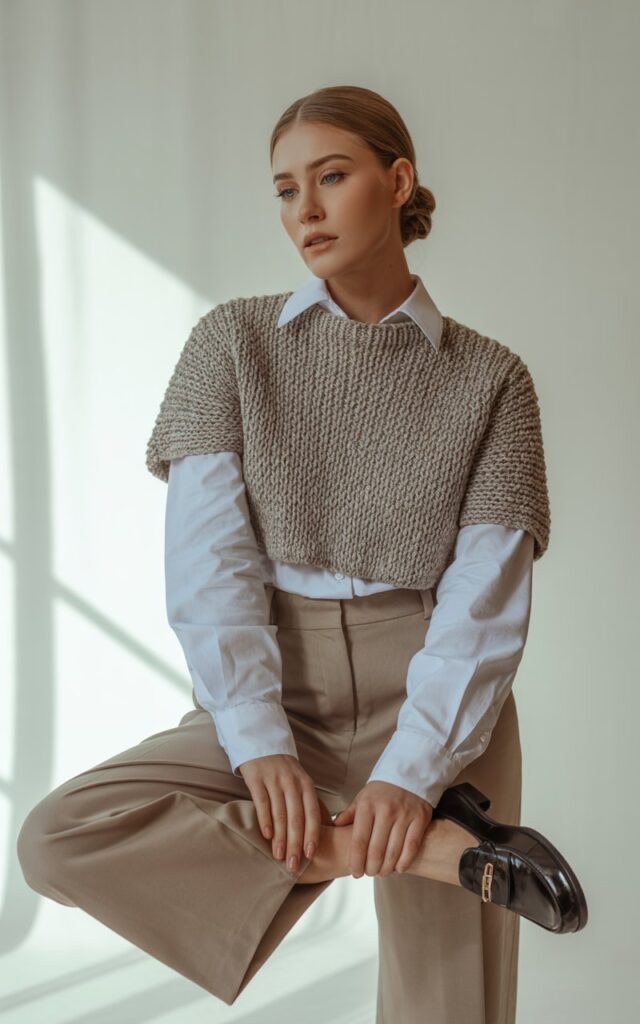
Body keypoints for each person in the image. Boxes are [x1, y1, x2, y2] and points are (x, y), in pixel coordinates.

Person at [15, 85, 583, 1022]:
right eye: (285, 190)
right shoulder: (231, 345)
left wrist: (413, 771)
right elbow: (210, 567)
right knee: (57, 838)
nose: (304, 210)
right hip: (280, 679)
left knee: (452, 1009)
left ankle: (424, 831)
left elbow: (485, 603)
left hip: (439, 688)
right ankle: (429, 850)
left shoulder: (492, 379)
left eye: (331, 177)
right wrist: (258, 738)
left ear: (398, 182)